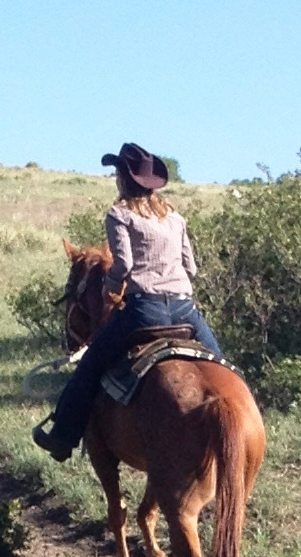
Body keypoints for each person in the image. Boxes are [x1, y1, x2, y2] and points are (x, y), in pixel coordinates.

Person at [32, 144, 226, 459]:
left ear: (124, 178)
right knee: (222, 366)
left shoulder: (120, 214)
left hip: (144, 311)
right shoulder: (175, 217)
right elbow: (191, 268)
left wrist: (111, 286)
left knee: (90, 366)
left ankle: (62, 436)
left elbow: (123, 266)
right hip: (184, 310)